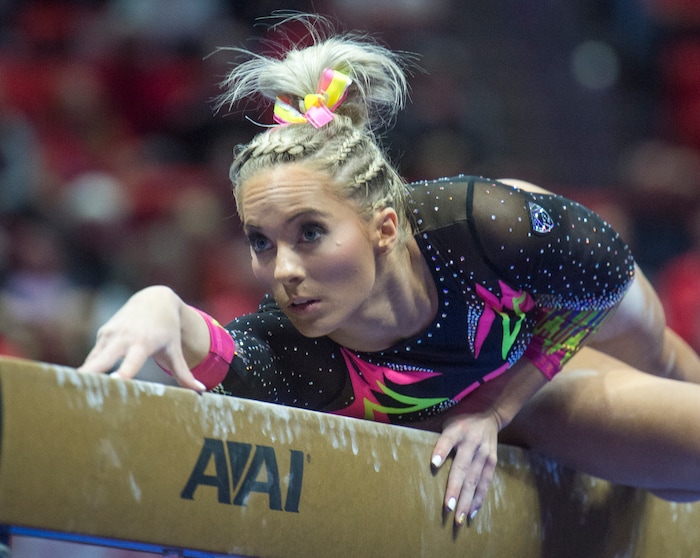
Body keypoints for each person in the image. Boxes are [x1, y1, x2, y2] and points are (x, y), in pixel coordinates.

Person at [79, 15, 700, 528]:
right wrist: (160, 303)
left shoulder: (485, 227)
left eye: (311, 233)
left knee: (657, 359)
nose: (284, 270)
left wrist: (493, 408)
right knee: (669, 479)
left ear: (382, 227)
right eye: (261, 242)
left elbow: (598, 285)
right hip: (536, 407)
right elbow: (215, 350)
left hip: (537, 305)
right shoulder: (292, 348)